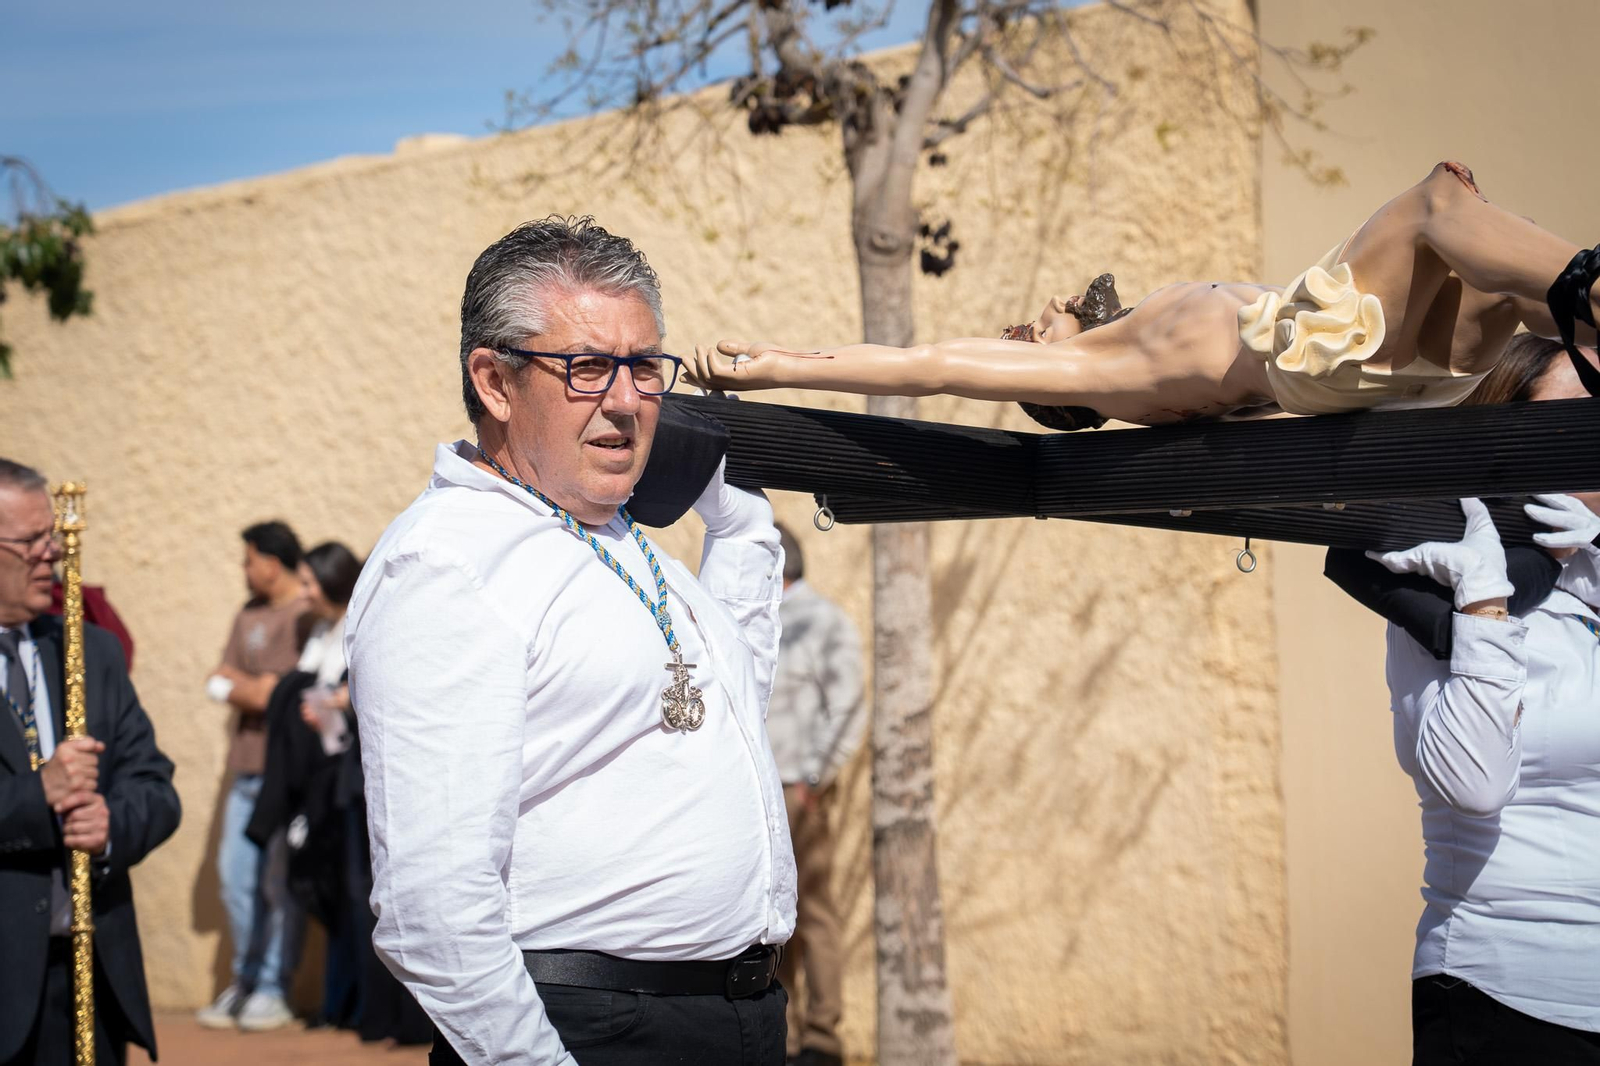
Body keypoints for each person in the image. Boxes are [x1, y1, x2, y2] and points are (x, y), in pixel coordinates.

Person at [346, 216, 795, 1066]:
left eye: (645, 367)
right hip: (584, 1029)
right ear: (496, 382)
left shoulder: (623, 542)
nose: (626, 401)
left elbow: (722, 719)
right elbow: (432, 909)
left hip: (735, 1019)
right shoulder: (448, 564)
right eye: (588, 368)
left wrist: (741, 528)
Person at [685, 162, 1600, 427]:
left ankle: (1582, 326)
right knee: (1437, 202)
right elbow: (925, 365)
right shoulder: (1093, 370)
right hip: (1323, 349)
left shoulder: (1139, 353)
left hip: (1372, 362)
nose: (1047, 309)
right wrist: (774, 366)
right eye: (1027, 328)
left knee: (1499, 267)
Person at [1365, 336, 1600, 1063]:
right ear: (1507, 440)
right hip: (1509, 997)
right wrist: (1483, 601)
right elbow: (1473, 785)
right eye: (1580, 416)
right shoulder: (1444, 582)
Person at [0, 458, 181, 1066]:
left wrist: (110, 827)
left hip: (90, 979)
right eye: (31, 541)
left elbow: (155, 786)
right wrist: (38, 794)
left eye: (52, 535)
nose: (52, 553)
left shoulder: (89, 651)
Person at [197, 520, 310, 1031]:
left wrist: (243, 687)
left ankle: (272, 988)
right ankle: (244, 983)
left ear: (271, 561)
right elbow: (218, 679)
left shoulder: (303, 615)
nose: (244, 570)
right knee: (235, 881)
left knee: (277, 885)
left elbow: (275, 695)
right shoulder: (248, 614)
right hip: (243, 771)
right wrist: (252, 687)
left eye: (248, 560)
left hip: (283, 776)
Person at [767, 524, 864, 1066]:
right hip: (760, 794)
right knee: (770, 917)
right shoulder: (760, 619)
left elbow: (848, 707)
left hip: (794, 792)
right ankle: (780, 1036)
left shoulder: (823, 621)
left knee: (815, 913)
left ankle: (823, 1038)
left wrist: (813, 780)